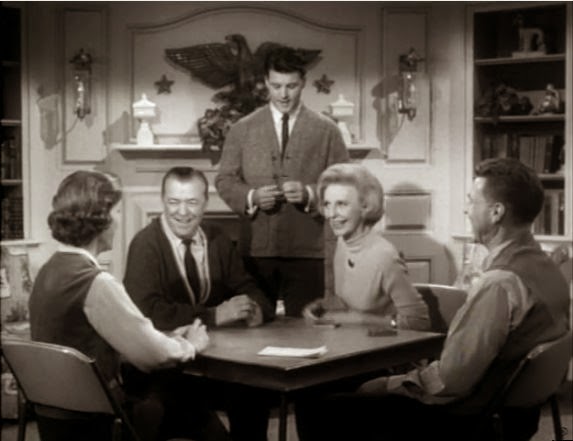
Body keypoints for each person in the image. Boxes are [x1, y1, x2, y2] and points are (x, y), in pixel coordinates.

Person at [295, 158, 570, 441]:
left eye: (471, 201)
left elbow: (450, 381)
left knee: (315, 404)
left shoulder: (499, 284)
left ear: (496, 212)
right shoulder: (550, 268)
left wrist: (388, 385)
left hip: (464, 421)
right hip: (516, 417)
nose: (466, 209)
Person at [28, 170, 227, 441]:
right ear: (100, 219)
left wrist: (166, 338)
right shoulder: (95, 283)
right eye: (117, 212)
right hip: (99, 421)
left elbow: (113, 340)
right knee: (190, 403)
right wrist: (190, 345)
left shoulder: (49, 270)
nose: (119, 221)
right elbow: (152, 355)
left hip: (56, 419)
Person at [123, 166, 274, 441]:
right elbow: (147, 312)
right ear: (163, 201)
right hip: (164, 370)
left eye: (192, 202)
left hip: (213, 365)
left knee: (254, 390)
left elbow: (249, 288)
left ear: (205, 203)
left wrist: (257, 309)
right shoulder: (145, 244)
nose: (183, 212)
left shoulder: (217, 239)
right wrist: (213, 315)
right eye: (174, 202)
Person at [215, 45, 349, 317]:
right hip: (256, 250)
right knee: (254, 327)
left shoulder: (327, 131)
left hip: (309, 251)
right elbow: (224, 179)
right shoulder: (242, 129)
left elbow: (345, 184)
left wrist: (310, 194)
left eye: (291, 86)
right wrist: (252, 197)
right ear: (266, 83)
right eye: (276, 86)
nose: (284, 94)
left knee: (307, 329)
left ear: (303, 82)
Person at [301, 163, 430, 331]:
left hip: (385, 344)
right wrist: (321, 307)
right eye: (327, 204)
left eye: (341, 204)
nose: (331, 214)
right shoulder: (342, 243)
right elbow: (351, 301)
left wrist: (359, 320)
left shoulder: (384, 256)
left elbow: (419, 322)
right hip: (353, 340)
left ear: (365, 206)